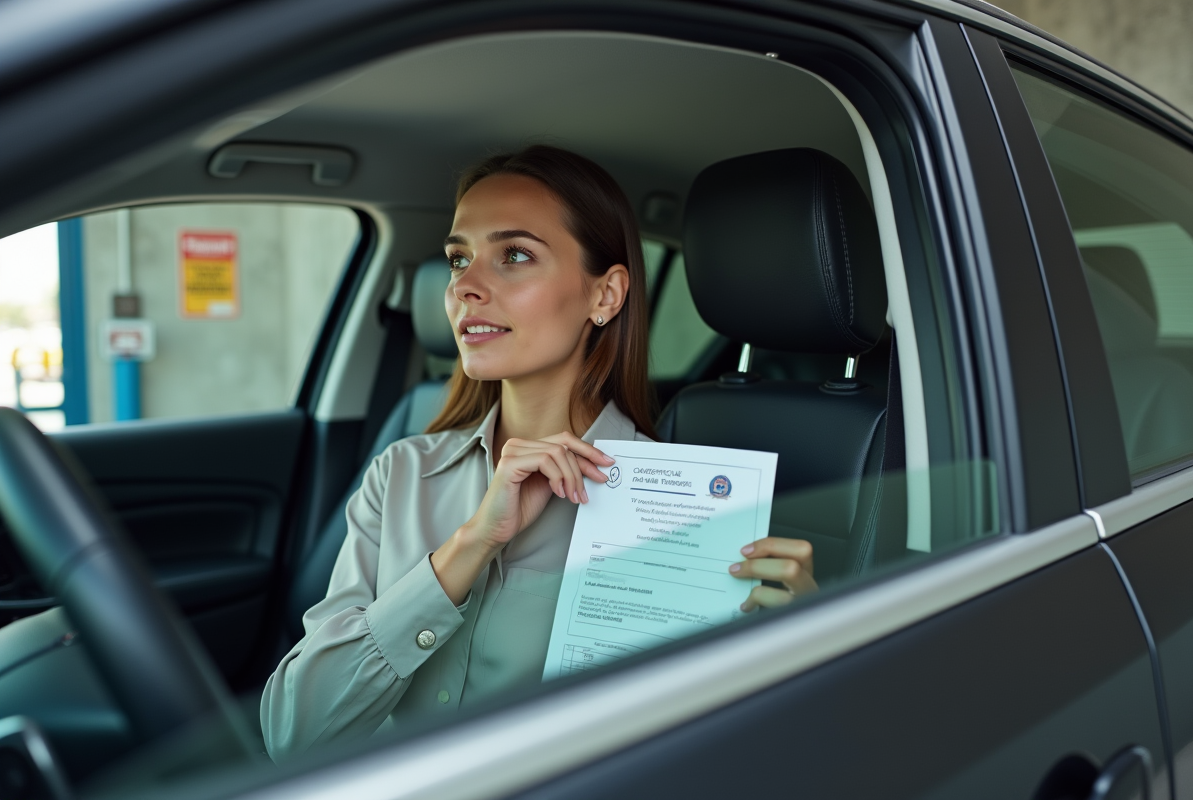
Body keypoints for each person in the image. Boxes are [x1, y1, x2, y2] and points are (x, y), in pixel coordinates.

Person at [260, 145, 817, 761]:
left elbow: (695, 756)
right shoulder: (402, 473)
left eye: (515, 255)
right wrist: (469, 546)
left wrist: (797, 651)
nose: (465, 287)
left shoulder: (686, 517)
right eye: (457, 259)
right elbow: (294, 737)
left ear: (605, 296)